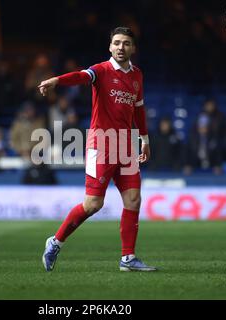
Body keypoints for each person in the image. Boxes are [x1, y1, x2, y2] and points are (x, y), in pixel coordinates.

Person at [37, 27, 156, 272]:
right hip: (101, 144)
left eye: (126, 43)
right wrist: (57, 80)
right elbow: (81, 76)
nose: (121, 47)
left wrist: (144, 138)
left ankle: (128, 258)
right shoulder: (101, 70)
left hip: (125, 145)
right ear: (110, 47)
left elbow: (139, 110)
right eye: (116, 43)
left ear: (133, 48)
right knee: (93, 204)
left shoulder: (137, 76)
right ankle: (56, 241)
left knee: (133, 199)